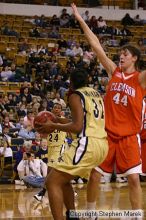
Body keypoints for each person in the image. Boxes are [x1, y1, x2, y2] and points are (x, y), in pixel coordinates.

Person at [71, 2, 146, 213]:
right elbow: (96, 46)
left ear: (135, 58)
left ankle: (135, 216)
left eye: (126, 53)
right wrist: (80, 20)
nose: (121, 55)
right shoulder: (113, 71)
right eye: (120, 53)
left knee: (133, 179)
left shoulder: (140, 79)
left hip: (130, 137)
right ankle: (91, 213)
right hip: (107, 135)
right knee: (95, 175)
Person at [35, 68, 108, 220]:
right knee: (63, 179)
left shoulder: (75, 95)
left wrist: (53, 126)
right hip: (101, 144)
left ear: (72, 82)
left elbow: (77, 127)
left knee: (51, 182)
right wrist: (56, 119)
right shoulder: (95, 94)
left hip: (86, 144)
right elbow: (81, 123)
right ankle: (72, 215)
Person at [34, 102, 68, 202]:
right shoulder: (47, 120)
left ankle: (42, 193)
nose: (56, 109)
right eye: (55, 107)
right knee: (57, 172)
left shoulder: (62, 120)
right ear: (52, 109)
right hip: (51, 148)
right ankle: (69, 189)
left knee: (50, 172)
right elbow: (44, 135)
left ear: (61, 111)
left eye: (59, 108)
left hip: (60, 147)